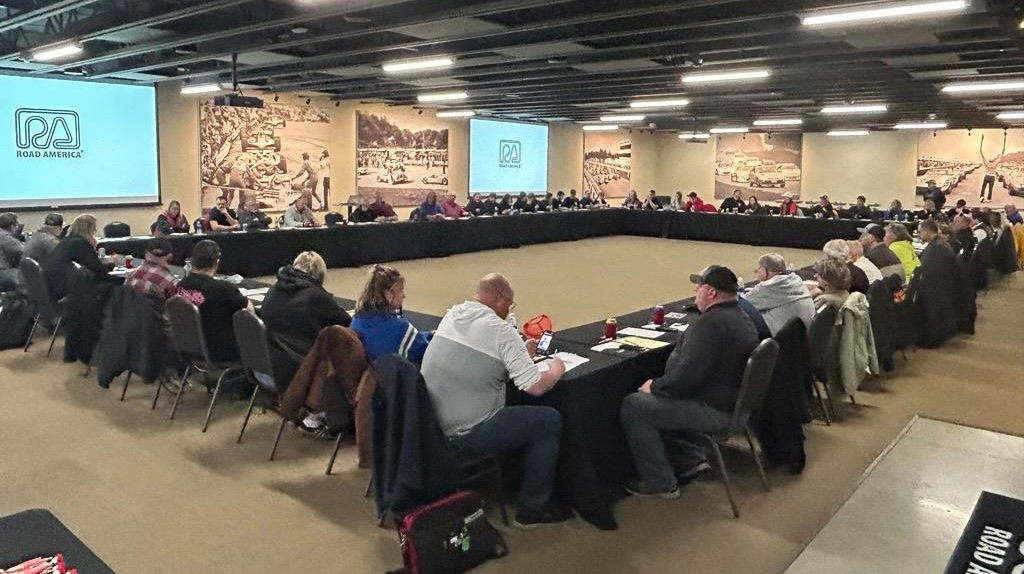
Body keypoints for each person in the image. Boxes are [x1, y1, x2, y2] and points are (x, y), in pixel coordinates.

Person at [422, 273, 570, 528]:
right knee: (548, 420)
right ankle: (531, 509)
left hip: (430, 424)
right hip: (465, 432)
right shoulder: (501, 330)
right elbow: (534, 386)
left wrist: (520, 354)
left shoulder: (453, 315)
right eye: (510, 304)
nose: (509, 311)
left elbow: (482, 360)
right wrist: (558, 368)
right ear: (501, 299)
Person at [620, 265, 758, 498]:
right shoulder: (742, 316)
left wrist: (653, 386)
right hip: (737, 405)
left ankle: (660, 482)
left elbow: (685, 381)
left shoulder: (710, 324)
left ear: (711, 293)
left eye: (699, 287)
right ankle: (691, 456)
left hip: (718, 411)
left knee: (635, 405)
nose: (695, 290)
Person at [261, 250, 351, 395]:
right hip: (302, 364)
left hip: (272, 360)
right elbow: (346, 322)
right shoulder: (316, 297)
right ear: (319, 274)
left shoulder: (274, 289)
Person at [175, 240, 252, 362]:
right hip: (218, 351)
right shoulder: (223, 288)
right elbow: (250, 314)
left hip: (189, 347)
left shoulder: (181, 285)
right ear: (216, 262)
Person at [351, 264, 432, 364]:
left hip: (366, 377)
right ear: (388, 294)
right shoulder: (400, 328)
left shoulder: (356, 320)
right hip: (390, 378)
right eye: (401, 290)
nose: (404, 296)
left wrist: (430, 335)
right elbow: (427, 352)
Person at [44, 215, 114, 300]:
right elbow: (99, 272)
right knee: (122, 287)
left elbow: (91, 267)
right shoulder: (81, 243)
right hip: (71, 292)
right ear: (89, 229)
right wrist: (114, 266)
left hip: (57, 288)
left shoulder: (66, 241)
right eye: (94, 229)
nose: (94, 231)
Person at [743, 253, 815, 335]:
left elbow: (742, 304)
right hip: (806, 336)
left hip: (783, 342)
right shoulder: (796, 280)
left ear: (764, 271)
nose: (756, 272)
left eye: (758, 269)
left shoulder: (767, 287)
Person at [125, 236, 177, 313]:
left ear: (146, 254)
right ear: (170, 256)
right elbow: (175, 309)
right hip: (156, 323)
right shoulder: (168, 280)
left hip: (129, 321)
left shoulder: (131, 275)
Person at [978, 132, 1005, 203]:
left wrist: (981, 140)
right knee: (990, 188)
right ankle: (989, 199)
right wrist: (1004, 140)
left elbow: (981, 152)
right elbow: (1002, 153)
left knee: (983, 187)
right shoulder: (995, 163)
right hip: (992, 176)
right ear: (993, 160)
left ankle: (981, 197)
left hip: (987, 175)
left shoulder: (986, 163)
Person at [0, 212, 23, 291]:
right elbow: (24, 251)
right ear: (12, 226)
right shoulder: (6, 237)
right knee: (25, 276)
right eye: (17, 226)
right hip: (2, 273)